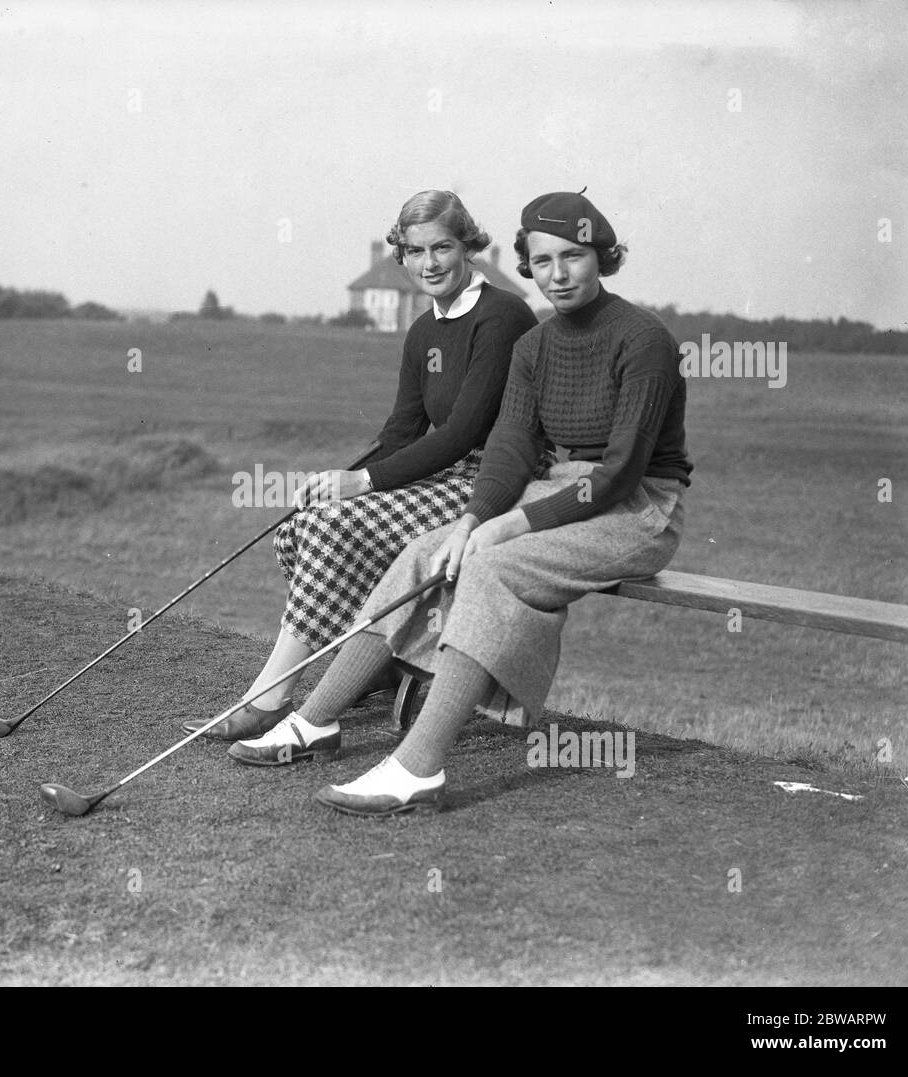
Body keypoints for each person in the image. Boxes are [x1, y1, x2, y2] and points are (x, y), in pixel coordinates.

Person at [228, 190, 693, 816]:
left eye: (575, 257)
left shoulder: (644, 339)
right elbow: (510, 446)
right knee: (427, 551)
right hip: (556, 489)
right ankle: (314, 721)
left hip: (637, 510)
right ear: (527, 263)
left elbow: (619, 473)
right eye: (544, 260)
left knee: (490, 566)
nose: (559, 274)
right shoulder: (536, 346)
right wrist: (474, 518)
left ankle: (419, 767)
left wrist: (507, 529)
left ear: (602, 258)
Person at [183, 190, 537, 740]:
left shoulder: (502, 315)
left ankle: (270, 696)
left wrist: (363, 483)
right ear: (401, 255)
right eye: (416, 252)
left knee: (335, 529)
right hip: (449, 471)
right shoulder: (424, 330)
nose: (430, 264)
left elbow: (467, 430)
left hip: (499, 479)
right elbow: (402, 429)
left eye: (443, 247)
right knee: (301, 525)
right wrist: (340, 479)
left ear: (469, 246)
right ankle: (370, 661)